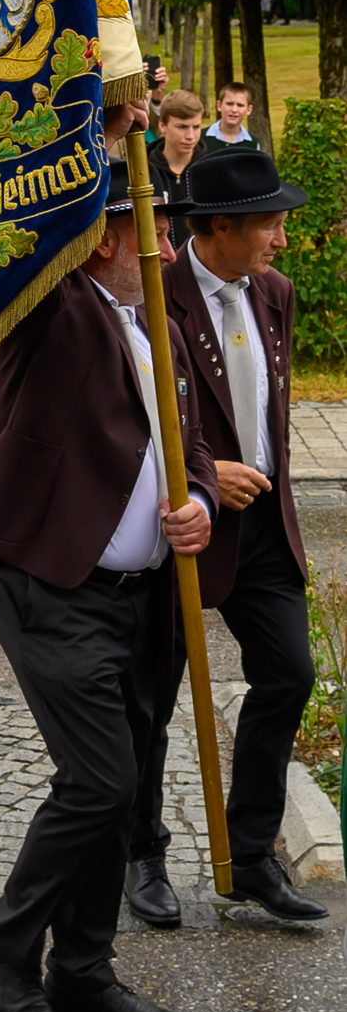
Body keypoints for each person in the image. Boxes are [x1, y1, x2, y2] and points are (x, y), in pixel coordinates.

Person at [0, 141, 218, 1012]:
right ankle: (4, 940)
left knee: (126, 780)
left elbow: (196, 451)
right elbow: (15, 234)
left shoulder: (162, 327)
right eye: (153, 232)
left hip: (140, 596)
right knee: (100, 782)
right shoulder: (53, 309)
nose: (170, 253)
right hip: (48, 580)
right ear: (104, 238)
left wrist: (203, 506)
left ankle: (82, 969)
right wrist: (105, 123)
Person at [128, 150, 327, 930]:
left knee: (288, 674)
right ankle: (141, 854)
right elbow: (134, 422)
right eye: (270, 223)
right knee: (147, 702)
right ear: (220, 225)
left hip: (263, 531)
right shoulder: (152, 297)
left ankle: (248, 858)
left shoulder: (272, 293)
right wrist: (210, 479)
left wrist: (260, 474)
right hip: (177, 531)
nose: (281, 238)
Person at [148, 88, 204, 249]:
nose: (191, 136)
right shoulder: (144, 172)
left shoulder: (209, 170)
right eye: (182, 127)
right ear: (163, 125)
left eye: (196, 127)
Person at [203, 81, 258, 154]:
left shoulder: (252, 145)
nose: (234, 110)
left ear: (249, 110)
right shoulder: (200, 138)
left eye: (240, 105)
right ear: (219, 105)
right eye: (229, 104)